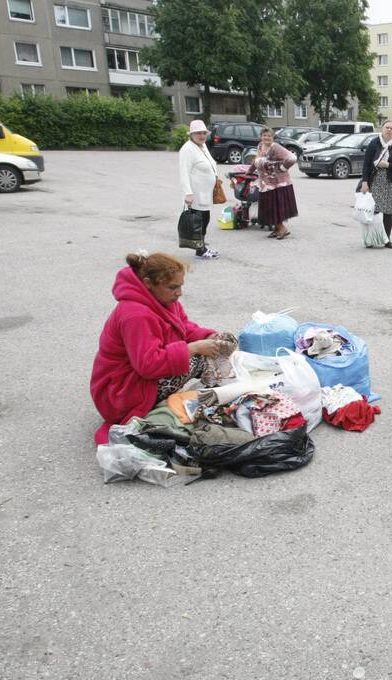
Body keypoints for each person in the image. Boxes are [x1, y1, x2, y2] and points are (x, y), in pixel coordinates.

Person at [90, 252, 226, 444]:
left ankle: (207, 394)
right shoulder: (135, 315)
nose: (179, 292)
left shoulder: (163, 301)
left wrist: (208, 336)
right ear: (148, 283)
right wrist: (193, 348)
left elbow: (184, 327)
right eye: (173, 287)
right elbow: (148, 365)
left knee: (210, 350)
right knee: (200, 359)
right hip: (119, 392)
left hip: (133, 380)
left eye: (180, 285)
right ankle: (188, 400)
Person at [360, 119, 392, 248]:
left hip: (389, 181)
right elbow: (366, 164)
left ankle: (386, 240)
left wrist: (388, 165)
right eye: (387, 127)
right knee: (372, 211)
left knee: (388, 212)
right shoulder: (374, 143)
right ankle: (369, 239)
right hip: (375, 180)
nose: (389, 130)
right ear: (382, 128)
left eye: (391, 128)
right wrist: (364, 182)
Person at [178, 119, 220, 259]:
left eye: (204, 133)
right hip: (196, 193)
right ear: (191, 134)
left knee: (205, 219)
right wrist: (188, 193)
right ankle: (200, 249)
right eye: (198, 133)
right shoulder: (187, 149)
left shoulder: (202, 146)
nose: (202, 136)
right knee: (198, 221)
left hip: (206, 192)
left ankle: (200, 245)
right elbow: (183, 172)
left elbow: (209, 164)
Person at [254, 127, 298, 239]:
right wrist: (248, 172)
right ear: (261, 137)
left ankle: (282, 228)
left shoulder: (276, 147)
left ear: (273, 137)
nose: (266, 138)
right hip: (265, 183)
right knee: (269, 207)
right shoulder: (260, 146)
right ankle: (276, 229)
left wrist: (282, 168)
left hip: (278, 183)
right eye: (264, 135)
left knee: (276, 207)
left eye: (269, 136)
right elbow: (256, 161)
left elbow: (292, 158)